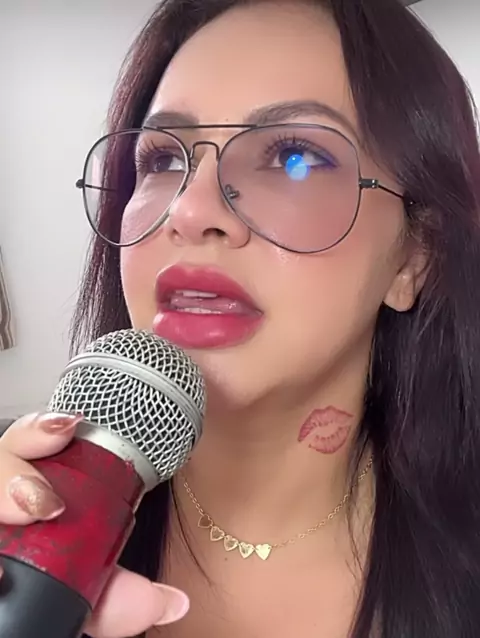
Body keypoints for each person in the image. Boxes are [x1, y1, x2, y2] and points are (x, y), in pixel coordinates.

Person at [1, 0, 480, 636]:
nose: (189, 210)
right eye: (164, 160)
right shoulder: (22, 506)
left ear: (415, 256)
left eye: (294, 157)